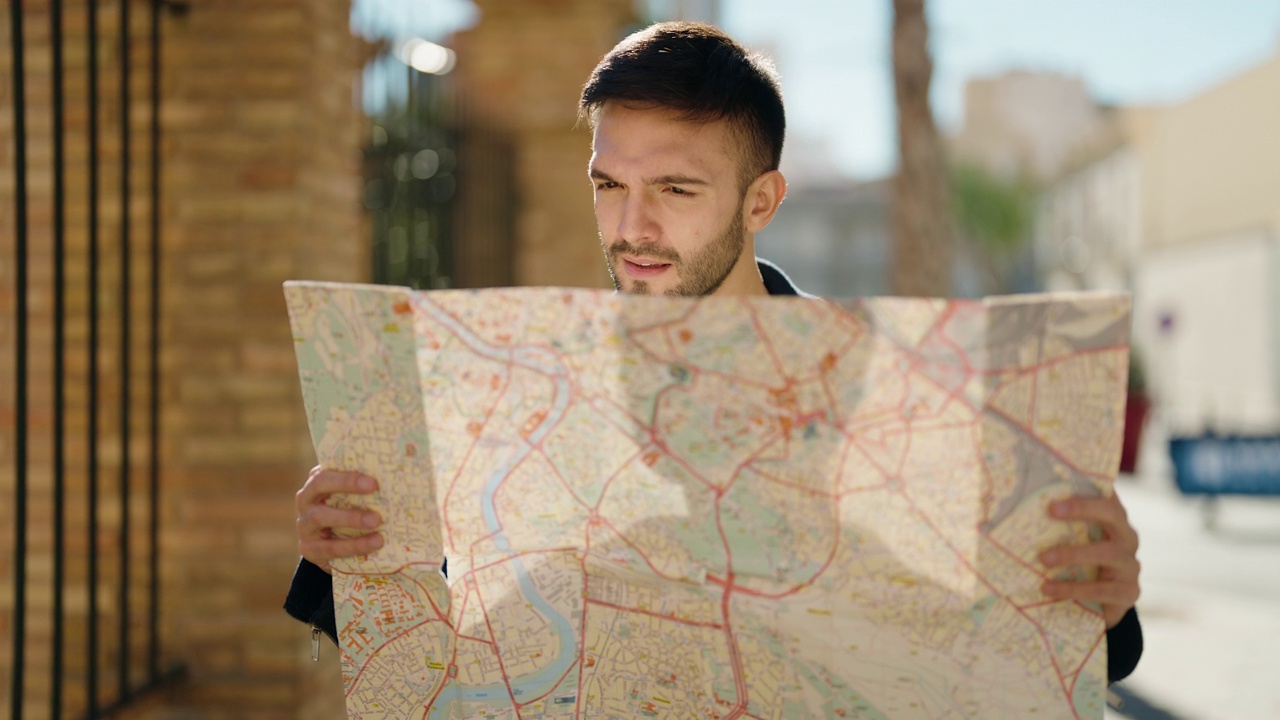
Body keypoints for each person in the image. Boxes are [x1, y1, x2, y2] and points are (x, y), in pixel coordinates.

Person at [286, 21, 1143, 683]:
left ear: (762, 199)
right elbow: (449, 645)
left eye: (675, 189)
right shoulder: (521, 389)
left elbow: (1009, 651)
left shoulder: (895, 398)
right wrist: (350, 565)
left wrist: (1099, 611)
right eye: (609, 184)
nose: (631, 229)